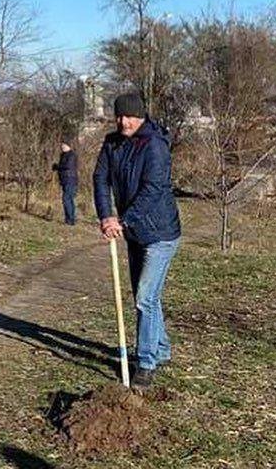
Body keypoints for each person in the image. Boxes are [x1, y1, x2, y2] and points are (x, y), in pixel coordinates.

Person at [94, 92, 181, 388]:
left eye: (130, 116)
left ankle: (145, 362)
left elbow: (154, 188)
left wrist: (124, 219)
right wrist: (106, 215)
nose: (124, 121)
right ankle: (162, 348)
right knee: (146, 298)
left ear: (141, 116)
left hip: (160, 233)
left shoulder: (154, 145)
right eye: (119, 116)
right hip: (133, 234)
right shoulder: (112, 143)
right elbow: (100, 179)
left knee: (145, 297)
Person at [52, 140, 78, 225]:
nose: (62, 146)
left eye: (64, 145)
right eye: (62, 145)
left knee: (66, 199)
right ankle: (70, 219)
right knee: (69, 199)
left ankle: (70, 220)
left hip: (70, 179)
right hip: (64, 179)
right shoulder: (63, 155)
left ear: (69, 146)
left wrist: (58, 167)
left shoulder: (72, 155)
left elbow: (68, 166)